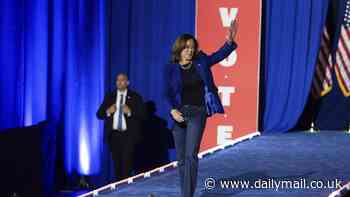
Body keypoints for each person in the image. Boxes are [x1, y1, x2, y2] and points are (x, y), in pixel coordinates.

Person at [164, 19, 238, 197]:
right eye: (186, 47)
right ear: (179, 49)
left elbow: (218, 56)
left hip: (198, 113)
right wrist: (172, 110)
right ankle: (186, 192)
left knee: (190, 156)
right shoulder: (171, 68)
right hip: (179, 114)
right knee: (181, 159)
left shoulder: (201, 61)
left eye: (192, 47)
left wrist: (229, 42)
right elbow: (167, 93)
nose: (189, 50)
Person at [96, 73, 145, 181]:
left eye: (122, 80)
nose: (119, 82)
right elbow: (99, 114)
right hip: (114, 135)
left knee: (127, 164)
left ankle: (126, 188)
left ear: (127, 83)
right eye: (117, 80)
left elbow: (143, 115)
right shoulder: (110, 96)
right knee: (117, 164)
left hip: (129, 135)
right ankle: (119, 188)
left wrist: (130, 112)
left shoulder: (135, 96)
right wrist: (108, 111)